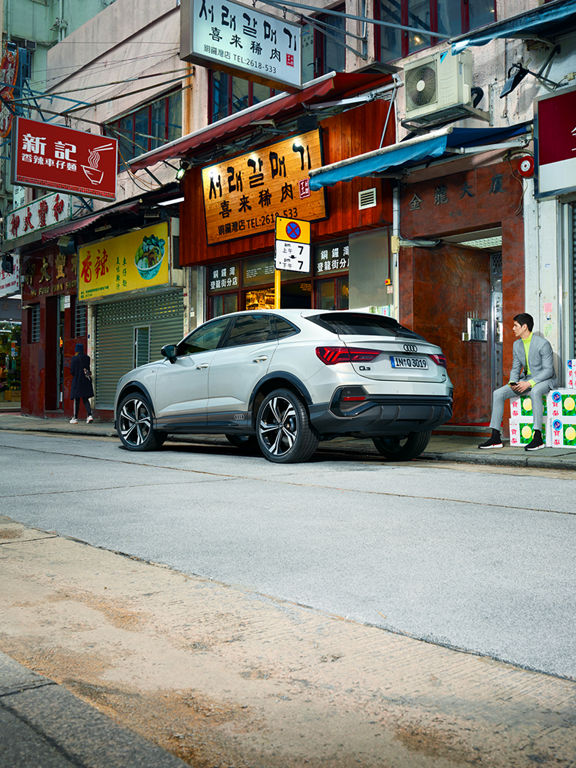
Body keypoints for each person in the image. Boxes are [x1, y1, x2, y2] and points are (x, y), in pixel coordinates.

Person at [478, 313, 556, 451]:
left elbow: (548, 371)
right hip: (525, 379)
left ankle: (538, 437)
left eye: (515, 326)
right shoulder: (517, 344)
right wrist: (513, 382)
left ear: (524, 327)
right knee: (498, 393)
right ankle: (495, 437)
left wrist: (530, 383)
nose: (513, 328)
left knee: (536, 391)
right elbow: (515, 367)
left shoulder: (543, 344)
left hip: (544, 380)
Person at [70, 342, 94, 424]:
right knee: (85, 399)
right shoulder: (87, 358)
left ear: (76, 350)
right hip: (85, 381)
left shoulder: (74, 359)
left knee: (76, 399)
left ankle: (75, 418)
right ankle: (89, 415)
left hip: (77, 381)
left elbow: (72, 371)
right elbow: (87, 369)